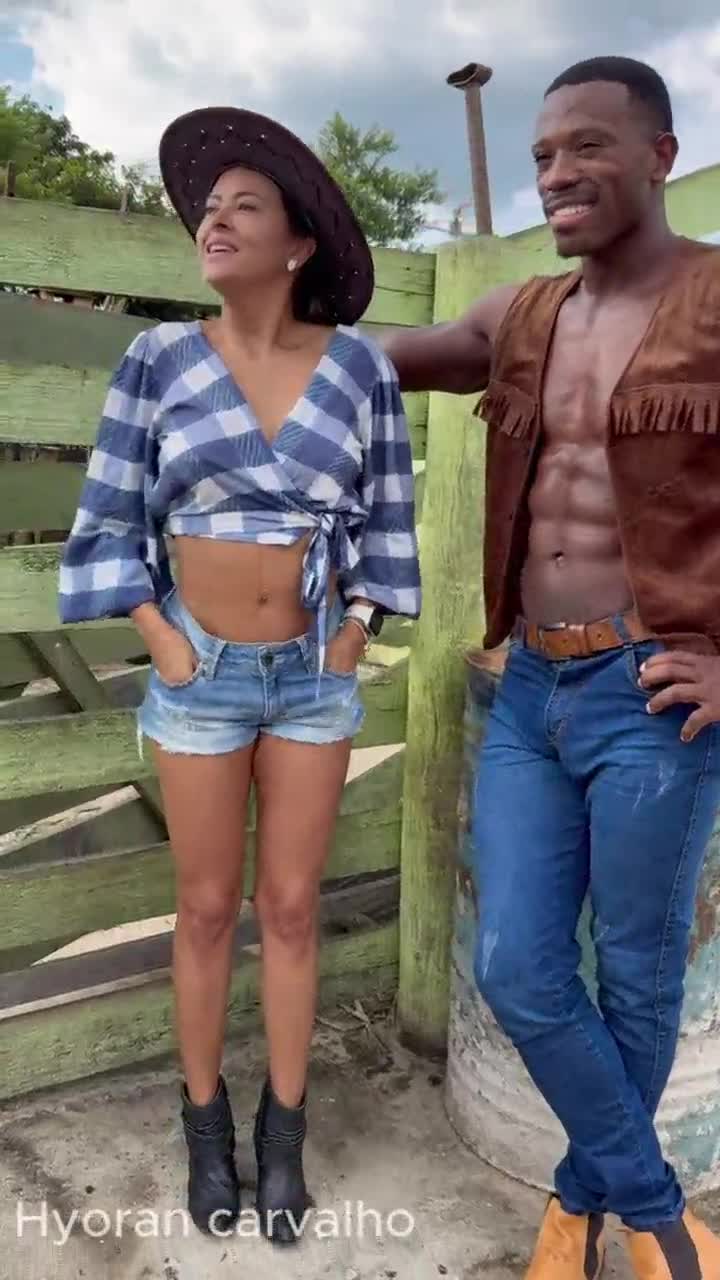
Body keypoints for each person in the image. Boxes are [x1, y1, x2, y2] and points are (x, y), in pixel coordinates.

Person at [58, 106, 421, 1246]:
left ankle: (285, 1132)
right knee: (208, 907)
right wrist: (162, 639)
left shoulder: (359, 368)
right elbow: (109, 517)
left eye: (242, 206)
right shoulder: (159, 358)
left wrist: (353, 632)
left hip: (314, 677)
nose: (213, 221)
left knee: (294, 907)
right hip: (198, 675)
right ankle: (206, 1127)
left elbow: (389, 521)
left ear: (298, 242)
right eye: (208, 209)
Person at [383, 55, 720, 1280]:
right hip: (529, 689)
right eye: (540, 156)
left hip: (654, 697)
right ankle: (657, 1210)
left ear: (660, 156)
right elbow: (385, 357)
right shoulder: (521, 316)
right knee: (520, 966)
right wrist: (273, 318)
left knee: (636, 976)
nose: (557, 173)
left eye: (586, 145)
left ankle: (579, 1207)